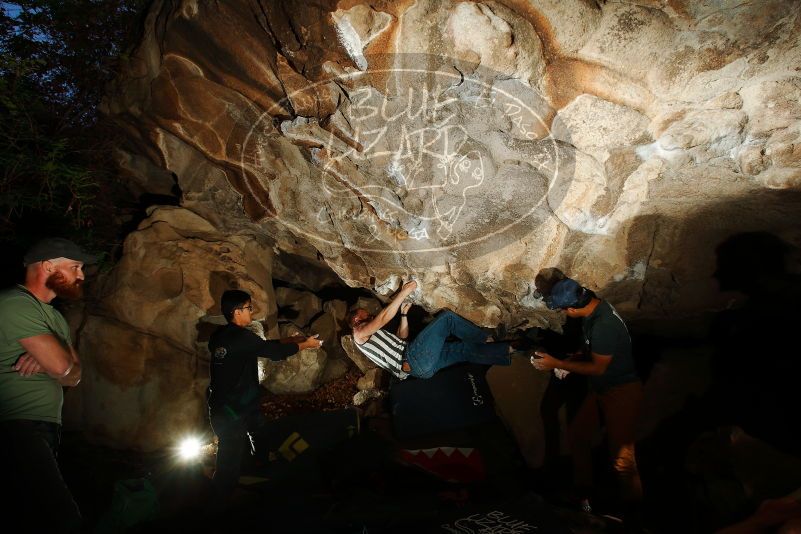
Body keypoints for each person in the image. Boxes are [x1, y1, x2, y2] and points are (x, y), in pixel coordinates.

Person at [0, 238, 96, 533]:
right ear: (48, 266)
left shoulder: (55, 316)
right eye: (75, 267)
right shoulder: (14, 304)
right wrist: (56, 362)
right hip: (16, 426)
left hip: (44, 427)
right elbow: (64, 367)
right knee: (61, 518)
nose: (81, 275)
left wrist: (52, 361)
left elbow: (75, 375)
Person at [532, 277, 643, 515]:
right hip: (601, 388)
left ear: (572, 308)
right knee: (578, 435)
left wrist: (558, 363)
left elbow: (598, 367)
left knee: (623, 460)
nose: (563, 313)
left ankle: (633, 515)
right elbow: (591, 349)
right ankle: (584, 493)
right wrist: (571, 360)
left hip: (621, 390)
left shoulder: (604, 324)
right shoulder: (593, 309)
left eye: (562, 309)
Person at [207, 289, 322, 505]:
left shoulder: (221, 336)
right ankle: (220, 502)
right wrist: (305, 345)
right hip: (231, 410)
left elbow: (260, 347)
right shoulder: (240, 337)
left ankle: (258, 467)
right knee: (229, 458)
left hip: (236, 405)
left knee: (258, 431)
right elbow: (274, 353)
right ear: (237, 311)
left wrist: (292, 339)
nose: (252, 311)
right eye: (249, 307)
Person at [349, 280, 520, 380]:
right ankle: (486, 339)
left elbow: (402, 338)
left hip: (420, 369)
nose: (371, 316)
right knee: (447, 320)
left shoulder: (370, 336)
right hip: (413, 358)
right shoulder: (359, 333)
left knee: (464, 350)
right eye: (366, 316)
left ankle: (510, 350)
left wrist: (403, 316)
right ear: (357, 320)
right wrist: (404, 292)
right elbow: (383, 317)